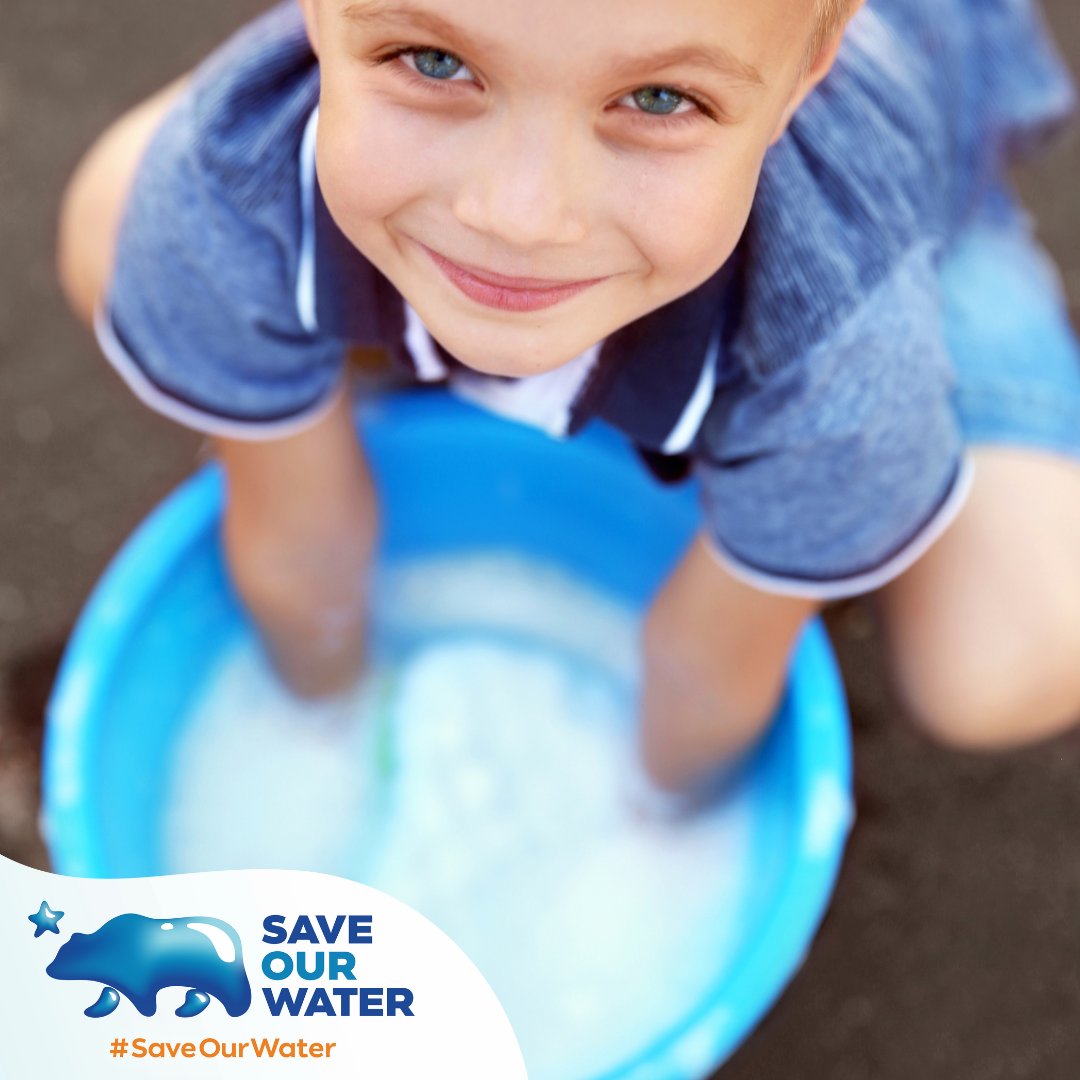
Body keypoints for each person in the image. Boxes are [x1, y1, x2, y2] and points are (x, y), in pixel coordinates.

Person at [57, 0, 1080, 799]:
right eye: (435, 60)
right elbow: (298, 543)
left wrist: (638, 834)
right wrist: (329, 725)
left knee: (1012, 655)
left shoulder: (840, 336)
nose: (520, 216)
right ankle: (407, 317)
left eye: (662, 99)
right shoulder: (235, 185)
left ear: (804, 80)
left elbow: (706, 681)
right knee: (129, 213)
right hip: (353, 190)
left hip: (918, 213)